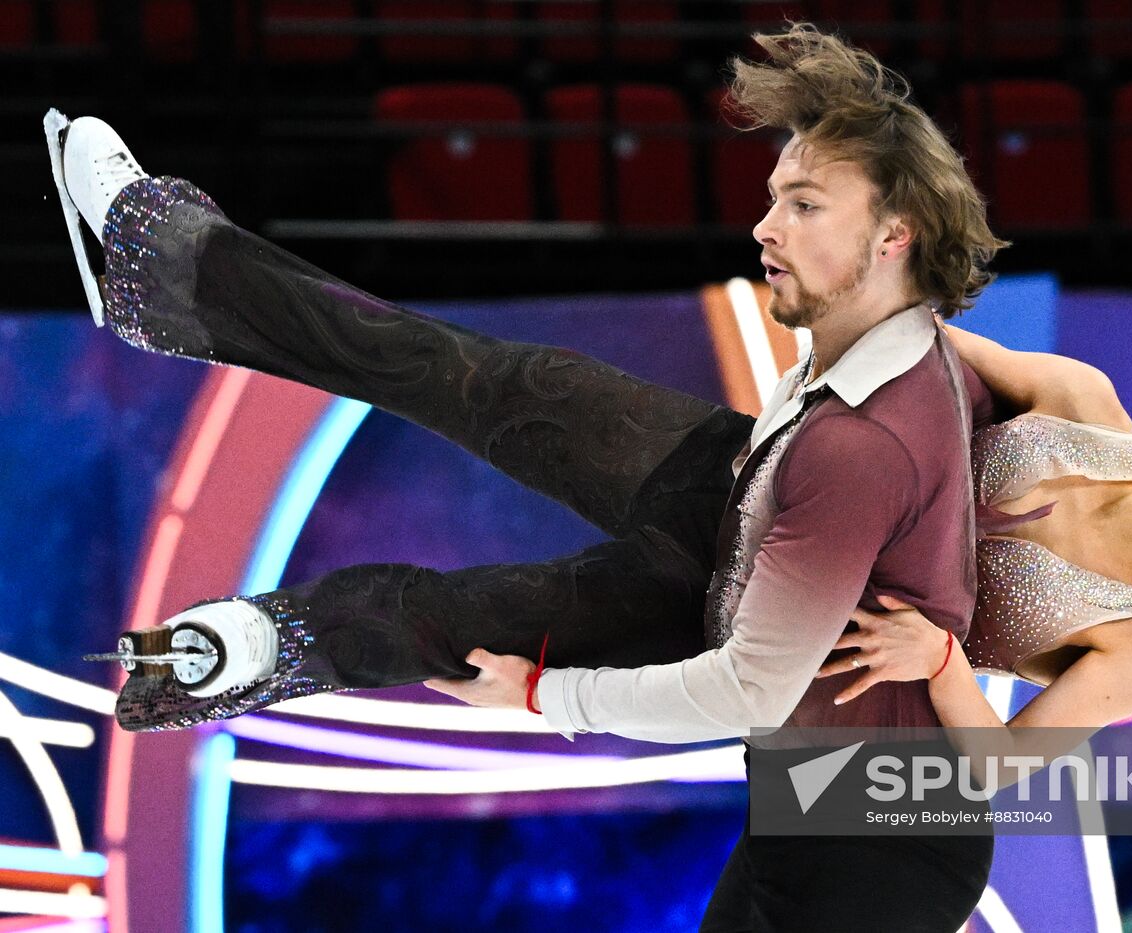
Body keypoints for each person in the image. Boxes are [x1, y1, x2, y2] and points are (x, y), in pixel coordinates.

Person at [55, 25, 1017, 932]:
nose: (765, 227)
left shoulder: (865, 446)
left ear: (892, 236)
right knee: (505, 385)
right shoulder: (890, 348)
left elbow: (748, 691)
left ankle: (250, 652)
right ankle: (161, 268)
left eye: (803, 206)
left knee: (479, 619)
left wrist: (545, 701)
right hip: (758, 544)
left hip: (859, 829)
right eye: (775, 194)